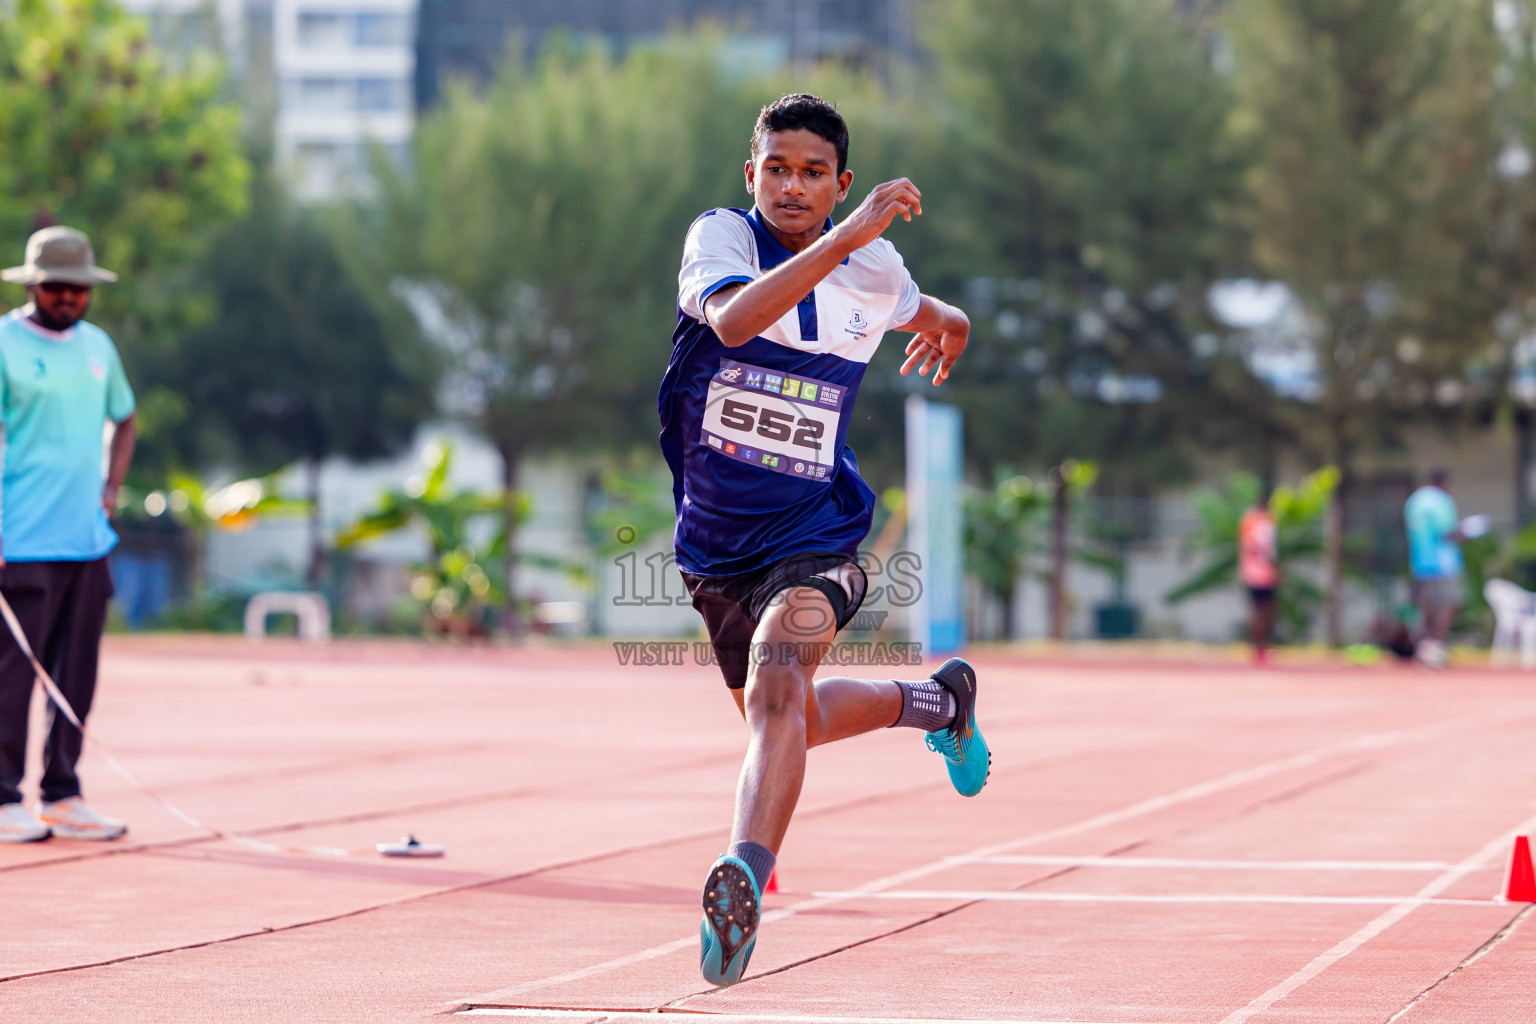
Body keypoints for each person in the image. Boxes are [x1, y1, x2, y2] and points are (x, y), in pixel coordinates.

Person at [658, 94, 986, 988]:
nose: (792, 186)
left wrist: (949, 323)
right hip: (716, 545)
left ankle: (744, 879)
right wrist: (844, 243)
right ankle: (936, 705)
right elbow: (731, 324)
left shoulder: (874, 268)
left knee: (778, 686)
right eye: (776, 168)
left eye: (813, 173)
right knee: (790, 720)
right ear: (752, 173)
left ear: (841, 184)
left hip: (819, 528)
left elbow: (923, 309)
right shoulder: (720, 241)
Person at [0, 226, 135, 842]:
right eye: (56, 286)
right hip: (19, 537)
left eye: (78, 288)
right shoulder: (3, 342)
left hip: (86, 539)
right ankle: (3, 798)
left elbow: (125, 417)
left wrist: (111, 489)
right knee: (13, 676)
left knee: (76, 673)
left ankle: (62, 793)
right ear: (33, 284)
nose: (68, 298)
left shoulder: (98, 347)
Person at [1404, 468, 1466, 668]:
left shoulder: (1414, 500)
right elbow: (1446, 532)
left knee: (1426, 607)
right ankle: (1434, 645)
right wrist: (1466, 532)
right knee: (1448, 604)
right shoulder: (1441, 501)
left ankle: (1425, 647)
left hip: (1420, 562)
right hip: (1443, 563)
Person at [1238, 488, 1279, 664]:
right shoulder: (1251, 519)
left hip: (1268, 572)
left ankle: (1263, 645)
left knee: (1269, 610)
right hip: (1255, 572)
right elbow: (1249, 545)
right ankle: (1256, 647)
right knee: (1258, 611)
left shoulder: (1270, 519)